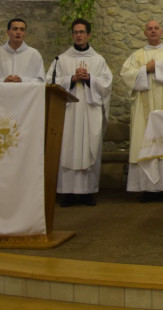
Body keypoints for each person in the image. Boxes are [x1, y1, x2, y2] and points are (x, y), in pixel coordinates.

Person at [46, 19, 113, 207]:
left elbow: (107, 83)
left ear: (88, 35)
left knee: (89, 147)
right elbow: (50, 82)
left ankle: (87, 192)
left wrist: (90, 78)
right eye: (75, 32)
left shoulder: (98, 60)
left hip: (90, 111)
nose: (79, 35)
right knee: (67, 148)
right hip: (68, 112)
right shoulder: (61, 59)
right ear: (72, 35)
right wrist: (71, 78)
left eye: (82, 32)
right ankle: (67, 193)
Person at [120, 20, 163, 202]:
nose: (153, 31)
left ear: (161, 31)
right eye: (149, 29)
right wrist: (144, 69)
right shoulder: (137, 55)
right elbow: (126, 75)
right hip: (142, 110)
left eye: (156, 28)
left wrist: (155, 67)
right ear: (145, 33)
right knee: (144, 143)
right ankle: (146, 189)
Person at [0, 18, 45, 83]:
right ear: (8, 32)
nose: (18, 32)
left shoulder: (34, 54)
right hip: (3, 90)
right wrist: (3, 81)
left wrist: (22, 80)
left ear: (24, 33)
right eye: (15, 29)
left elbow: (41, 81)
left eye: (22, 29)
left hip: (25, 90)